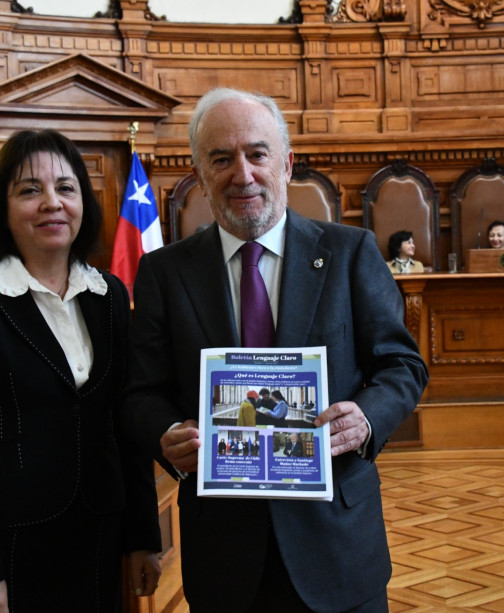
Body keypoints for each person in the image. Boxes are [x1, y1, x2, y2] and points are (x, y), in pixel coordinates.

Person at [121, 87, 428, 613]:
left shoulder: (349, 252)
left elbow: (403, 365)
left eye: (256, 154)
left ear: (286, 165)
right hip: (225, 555)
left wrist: (366, 418)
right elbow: (140, 392)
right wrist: (165, 432)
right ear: (199, 173)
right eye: (221, 158)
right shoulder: (165, 273)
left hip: (337, 545)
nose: (242, 174)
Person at [0, 129, 161, 613]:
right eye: (30, 190)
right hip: (4, 546)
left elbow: (122, 427)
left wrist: (142, 535)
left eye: (66, 188)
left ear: (83, 204)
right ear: (1, 209)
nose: (52, 203)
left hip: (96, 536)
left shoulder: (108, 293)